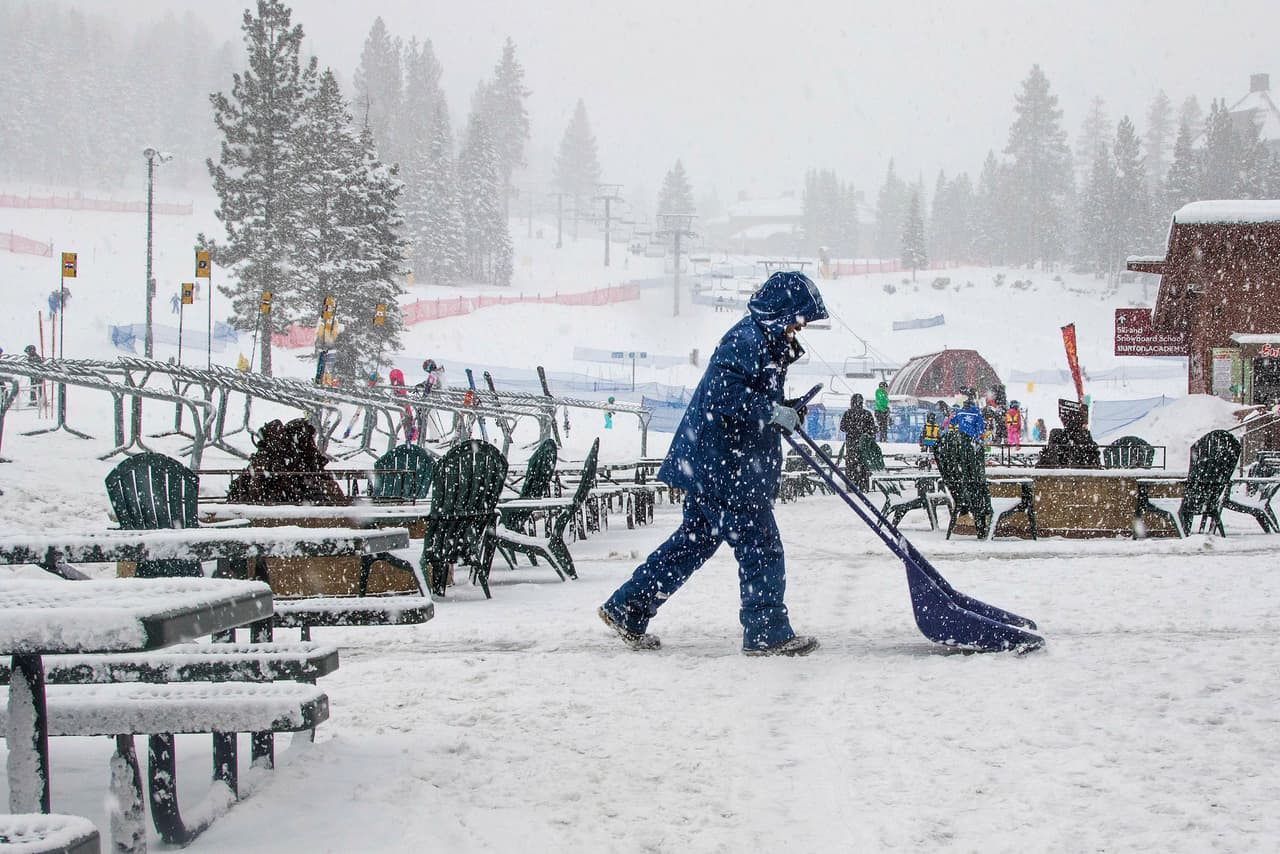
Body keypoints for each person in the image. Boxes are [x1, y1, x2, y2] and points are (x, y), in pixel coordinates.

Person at [599, 271, 828, 657]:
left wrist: (784, 410)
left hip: (718, 465)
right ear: (780, 312)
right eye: (798, 319)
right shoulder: (746, 339)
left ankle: (628, 607)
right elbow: (725, 394)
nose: (800, 327)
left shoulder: (763, 340)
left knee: (693, 543)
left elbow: (749, 398)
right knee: (760, 545)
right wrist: (771, 412)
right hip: (726, 467)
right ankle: (766, 632)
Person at [839, 393, 877, 490]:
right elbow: (872, 430)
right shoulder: (867, 414)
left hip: (851, 444)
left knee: (851, 465)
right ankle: (864, 485)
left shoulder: (848, 414)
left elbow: (842, 427)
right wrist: (865, 432)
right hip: (864, 445)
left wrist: (852, 430)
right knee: (864, 465)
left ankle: (851, 485)